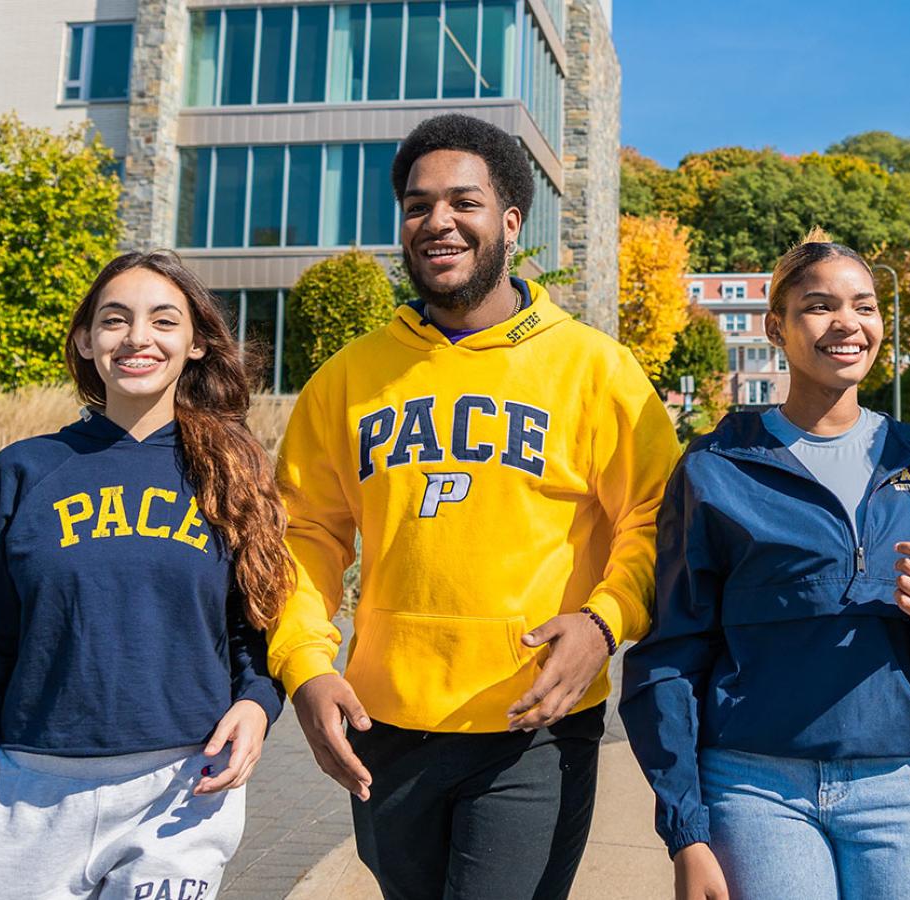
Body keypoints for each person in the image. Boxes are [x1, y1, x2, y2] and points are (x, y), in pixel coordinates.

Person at [268, 113, 680, 900]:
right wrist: (304, 665)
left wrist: (604, 623)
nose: (438, 222)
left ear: (511, 221)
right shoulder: (348, 377)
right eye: (418, 206)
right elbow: (303, 537)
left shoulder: (597, 370)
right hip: (382, 726)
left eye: (464, 202)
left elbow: (655, 521)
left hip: (534, 725)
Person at [620, 229, 910, 900]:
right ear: (775, 328)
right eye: (819, 306)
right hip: (754, 789)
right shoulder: (715, 469)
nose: (848, 323)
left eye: (864, 306)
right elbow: (670, 654)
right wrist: (686, 831)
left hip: (902, 787)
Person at [0, 251, 288, 898]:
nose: (137, 338)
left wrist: (258, 705)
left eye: (163, 320)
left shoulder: (232, 474)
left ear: (198, 343)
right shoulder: (24, 472)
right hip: (29, 796)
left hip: (180, 792)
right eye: (115, 320)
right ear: (86, 341)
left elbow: (256, 631)